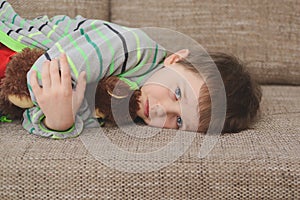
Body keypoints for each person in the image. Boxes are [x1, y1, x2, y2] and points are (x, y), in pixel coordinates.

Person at [0, 0, 261, 139]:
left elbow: (40, 116)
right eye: (177, 93)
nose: (162, 111)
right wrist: (42, 93)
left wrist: (59, 123)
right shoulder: (138, 47)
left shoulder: (128, 112)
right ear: (175, 60)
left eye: (179, 121)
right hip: (16, 47)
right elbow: (71, 60)